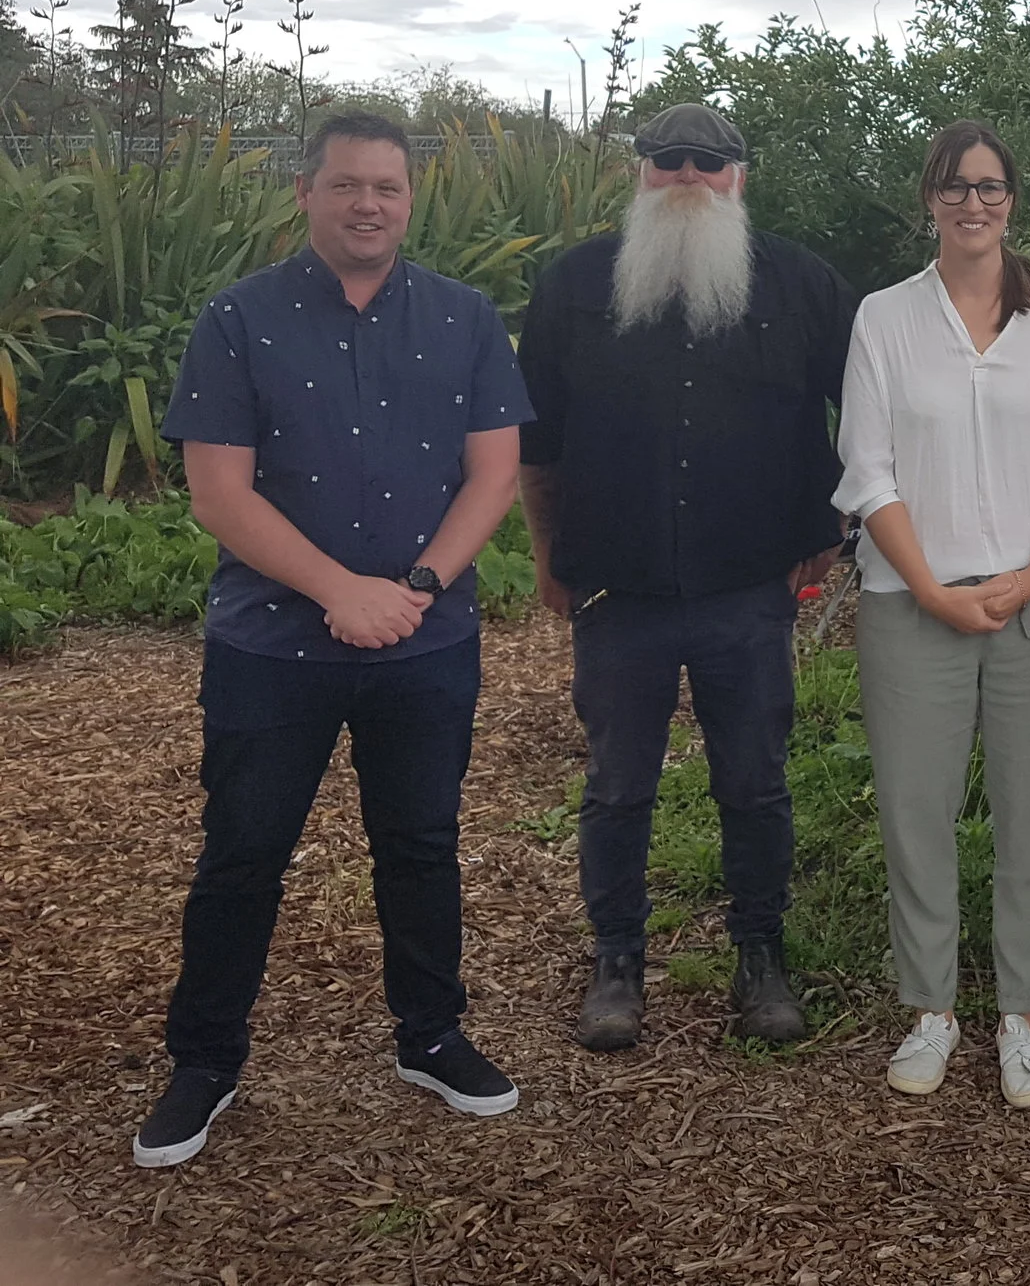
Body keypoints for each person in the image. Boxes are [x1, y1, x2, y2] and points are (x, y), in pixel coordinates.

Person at [136, 111, 532, 1169]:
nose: (368, 204)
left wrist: (416, 587)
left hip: (424, 640)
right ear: (305, 192)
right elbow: (218, 494)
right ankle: (205, 1061)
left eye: (386, 188)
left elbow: (494, 472)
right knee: (243, 852)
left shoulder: (464, 318)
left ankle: (431, 1036)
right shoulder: (238, 319)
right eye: (347, 184)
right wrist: (340, 591)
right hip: (272, 648)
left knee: (421, 845)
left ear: (409, 200)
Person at [517, 104, 856, 1051]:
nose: (688, 175)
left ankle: (761, 956)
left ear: (739, 176)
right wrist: (546, 553)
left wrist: (832, 523)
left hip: (749, 587)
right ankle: (616, 961)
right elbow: (536, 444)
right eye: (668, 159)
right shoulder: (575, 283)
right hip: (616, 589)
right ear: (641, 172)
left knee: (755, 784)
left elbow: (869, 411)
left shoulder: (801, 282)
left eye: (708, 161)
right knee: (616, 787)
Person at [833, 121, 1030, 1109]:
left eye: (988, 186)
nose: (972, 202)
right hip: (913, 603)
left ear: (1011, 199)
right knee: (917, 811)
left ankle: (1022, 1013)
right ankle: (932, 1009)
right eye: (954, 186)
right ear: (930, 200)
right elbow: (868, 470)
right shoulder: (885, 318)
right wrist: (935, 589)